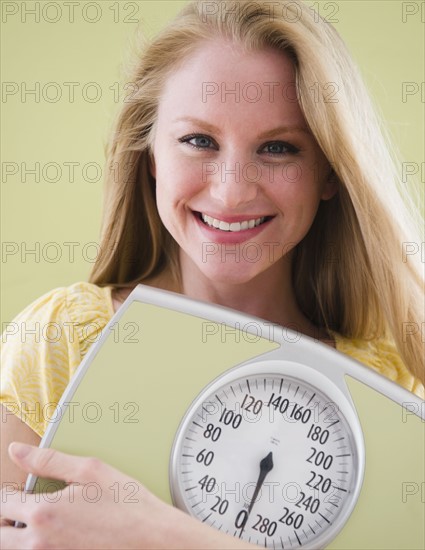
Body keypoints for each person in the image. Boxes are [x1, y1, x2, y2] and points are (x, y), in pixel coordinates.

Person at [1, 0, 424, 548]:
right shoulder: (62, 341)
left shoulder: (393, 390)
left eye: (278, 148)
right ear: (150, 153)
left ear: (329, 173)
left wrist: (162, 537)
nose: (230, 190)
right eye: (198, 141)